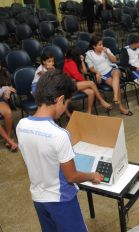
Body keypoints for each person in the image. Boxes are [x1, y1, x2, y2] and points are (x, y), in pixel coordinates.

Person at [16, 70, 103, 232]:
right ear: (60, 100)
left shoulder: (21, 125)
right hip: (61, 200)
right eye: (67, 103)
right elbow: (72, 176)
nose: (65, 108)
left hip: (38, 197)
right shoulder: (60, 135)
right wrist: (92, 175)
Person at [85, 36, 132, 116]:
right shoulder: (89, 54)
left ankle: (115, 97)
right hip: (103, 74)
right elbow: (91, 68)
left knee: (116, 72)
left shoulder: (106, 50)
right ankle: (120, 107)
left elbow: (114, 60)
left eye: (102, 44)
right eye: (99, 45)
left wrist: (107, 53)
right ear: (94, 46)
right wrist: (97, 72)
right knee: (116, 85)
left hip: (112, 69)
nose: (102, 46)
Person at [63, 47, 113, 114]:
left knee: (91, 92)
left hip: (76, 83)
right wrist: (86, 83)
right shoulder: (69, 62)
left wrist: (82, 61)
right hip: (69, 85)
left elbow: (85, 71)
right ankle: (101, 101)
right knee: (91, 83)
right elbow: (77, 76)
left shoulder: (75, 61)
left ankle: (88, 112)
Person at [0, 66, 17, 151]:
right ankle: (9, 141)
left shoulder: (4, 73)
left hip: (0, 100)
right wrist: (4, 89)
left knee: (8, 113)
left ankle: (9, 136)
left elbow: (10, 88)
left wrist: (7, 92)